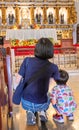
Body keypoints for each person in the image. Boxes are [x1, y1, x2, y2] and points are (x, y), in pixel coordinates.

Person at [15, 37, 60, 125]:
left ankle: (30, 112)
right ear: (51, 51)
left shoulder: (27, 61)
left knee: (28, 94)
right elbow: (53, 84)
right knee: (48, 93)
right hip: (42, 103)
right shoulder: (53, 67)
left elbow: (17, 80)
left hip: (26, 102)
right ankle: (43, 112)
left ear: (36, 49)